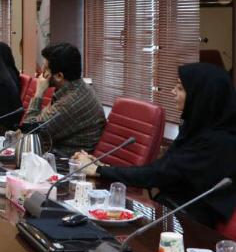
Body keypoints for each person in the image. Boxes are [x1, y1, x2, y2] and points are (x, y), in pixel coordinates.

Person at [77, 63, 236, 228]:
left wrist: (99, 170)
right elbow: (163, 167)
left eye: (180, 88)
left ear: (201, 97)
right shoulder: (195, 127)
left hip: (192, 224)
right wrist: (102, 167)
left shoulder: (218, 142)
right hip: (169, 210)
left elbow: (158, 174)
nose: (173, 91)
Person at [23, 43, 105, 157]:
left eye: (45, 69)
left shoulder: (69, 103)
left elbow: (30, 134)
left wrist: (39, 93)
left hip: (65, 162)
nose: (42, 73)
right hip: (53, 153)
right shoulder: (77, 87)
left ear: (59, 76)